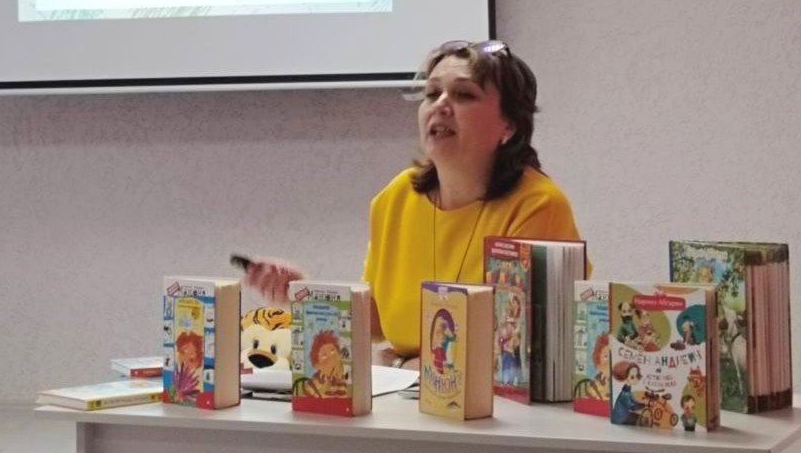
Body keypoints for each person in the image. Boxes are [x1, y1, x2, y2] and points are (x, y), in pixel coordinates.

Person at [245, 40, 588, 367]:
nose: (441, 105)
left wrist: (403, 364)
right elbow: (379, 321)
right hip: (410, 399)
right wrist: (300, 292)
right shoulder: (397, 196)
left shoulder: (537, 206)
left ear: (509, 125)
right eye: (432, 93)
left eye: (463, 94)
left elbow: (515, 358)